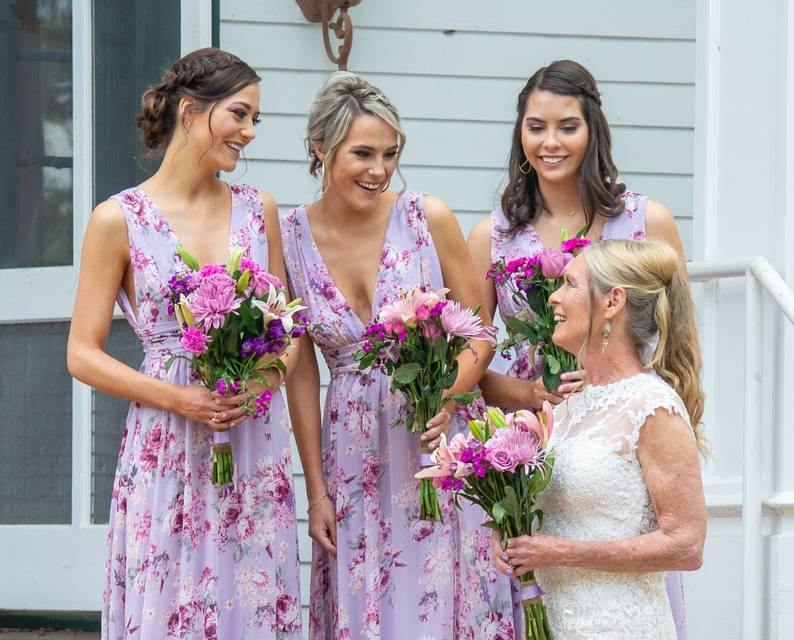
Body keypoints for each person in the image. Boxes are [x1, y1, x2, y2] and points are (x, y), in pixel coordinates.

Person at [66, 49, 302, 638]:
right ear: (192, 112)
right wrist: (178, 399)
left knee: (248, 598)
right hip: (167, 443)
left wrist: (260, 380)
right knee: (169, 602)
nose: (249, 133)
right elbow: (82, 353)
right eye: (240, 115)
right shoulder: (117, 219)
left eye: (255, 121)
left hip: (251, 439)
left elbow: (287, 331)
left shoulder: (258, 210)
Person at [281, 71, 514, 639]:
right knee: (370, 603)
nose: (380, 169)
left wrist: (451, 392)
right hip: (354, 449)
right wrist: (316, 490)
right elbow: (301, 374)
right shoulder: (288, 237)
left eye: (390, 153)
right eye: (363, 153)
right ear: (321, 148)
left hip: (443, 438)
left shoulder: (425, 216)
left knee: (449, 591)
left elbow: (480, 328)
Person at [466, 59, 692, 636]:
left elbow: (679, 339)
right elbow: (471, 358)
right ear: (519, 132)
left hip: (621, 445)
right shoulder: (491, 235)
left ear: (592, 129)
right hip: (535, 449)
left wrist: (652, 426)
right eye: (535, 126)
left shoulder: (647, 220)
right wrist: (529, 393)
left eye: (567, 126)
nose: (549, 142)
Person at [493, 239, 707, 640]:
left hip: (619, 626)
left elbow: (686, 545)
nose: (553, 297)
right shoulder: (568, 405)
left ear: (613, 302)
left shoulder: (653, 406)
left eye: (570, 285)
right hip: (555, 623)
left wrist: (560, 553)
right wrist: (508, 529)